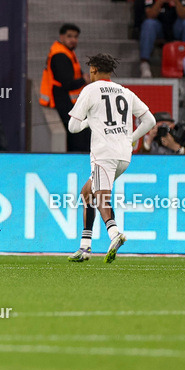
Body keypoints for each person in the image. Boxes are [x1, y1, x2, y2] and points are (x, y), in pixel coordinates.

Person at [67, 53, 155, 263]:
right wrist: (130, 139)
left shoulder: (90, 90)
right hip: (124, 155)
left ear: (94, 70)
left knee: (100, 195)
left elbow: (72, 127)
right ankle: (85, 247)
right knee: (87, 191)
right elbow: (149, 121)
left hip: (104, 153)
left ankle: (115, 233)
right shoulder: (125, 92)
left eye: (90, 71)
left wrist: (88, 121)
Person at [40, 23, 89, 153]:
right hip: (63, 103)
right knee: (78, 142)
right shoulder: (60, 55)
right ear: (61, 37)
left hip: (68, 104)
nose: (73, 40)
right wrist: (85, 80)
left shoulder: (66, 52)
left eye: (75, 37)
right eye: (69, 36)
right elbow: (67, 83)